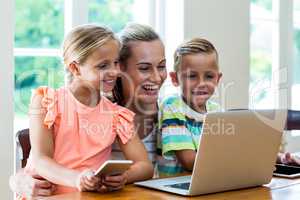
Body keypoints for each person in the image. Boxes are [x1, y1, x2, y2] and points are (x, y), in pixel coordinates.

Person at [9, 23, 166, 198]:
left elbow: (145, 166)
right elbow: (41, 159)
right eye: (102, 66)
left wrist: (125, 176)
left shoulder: (116, 114)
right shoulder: (47, 101)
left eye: (115, 63)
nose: (114, 71)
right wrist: (77, 179)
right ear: (75, 68)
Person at [157, 38, 222, 177]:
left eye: (209, 76)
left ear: (218, 79)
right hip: (175, 189)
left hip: (209, 182)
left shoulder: (216, 111)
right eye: (192, 76)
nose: (201, 83)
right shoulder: (173, 107)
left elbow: (230, 148)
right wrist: (231, 159)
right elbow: (189, 162)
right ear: (175, 79)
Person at [111, 23, 167, 168]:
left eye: (161, 66)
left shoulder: (171, 116)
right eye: (144, 68)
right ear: (119, 68)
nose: (156, 78)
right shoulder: (100, 115)